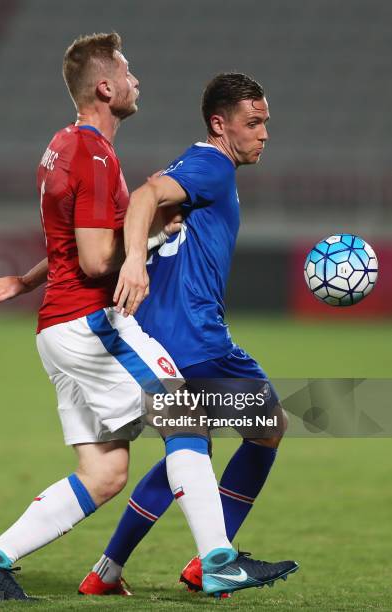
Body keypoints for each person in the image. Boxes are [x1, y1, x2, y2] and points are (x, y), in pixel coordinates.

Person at [0, 34, 294, 601]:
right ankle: (217, 560)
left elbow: (78, 242)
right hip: (91, 325)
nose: (138, 79)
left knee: (106, 474)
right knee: (186, 419)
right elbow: (95, 257)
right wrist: (139, 255)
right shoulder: (94, 154)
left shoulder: (66, 144)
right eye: (128, 71)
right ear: (106, 87)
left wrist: (23, 280)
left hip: (55, 329)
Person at [79, 72, 298, 595]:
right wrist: (134, 260)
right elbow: (145, 193)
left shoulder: (191, 165)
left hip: (158, 339)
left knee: (187, 445)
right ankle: (212, 561)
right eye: (253, 122)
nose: (264, 133)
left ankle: (107, 571)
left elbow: (152, 197)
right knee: (269, 426)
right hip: (199, 340)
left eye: (266, 122)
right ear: (220, 125)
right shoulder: (213, 165)